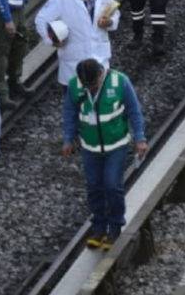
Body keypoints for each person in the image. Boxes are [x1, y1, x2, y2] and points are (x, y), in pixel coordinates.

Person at [61, 59, 148, 250]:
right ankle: (99, 227)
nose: (90, 89)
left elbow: (134, 111)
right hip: (90, 147)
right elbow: (69, 112)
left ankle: (115, 226)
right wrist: (68, 138)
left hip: (116, 145)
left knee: (112, 185)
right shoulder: (75, 86)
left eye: (93, 85)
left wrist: (140, 138)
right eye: (87, 86)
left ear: (101, 74)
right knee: (94, 187)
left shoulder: (120, 82)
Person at [35, 0, 121, 87]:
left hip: (100, 63)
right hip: (73, 66)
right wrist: (52, 40)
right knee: (75, 104)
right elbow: (41, 20)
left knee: (100, 105)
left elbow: (115, 12)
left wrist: (110, 22)